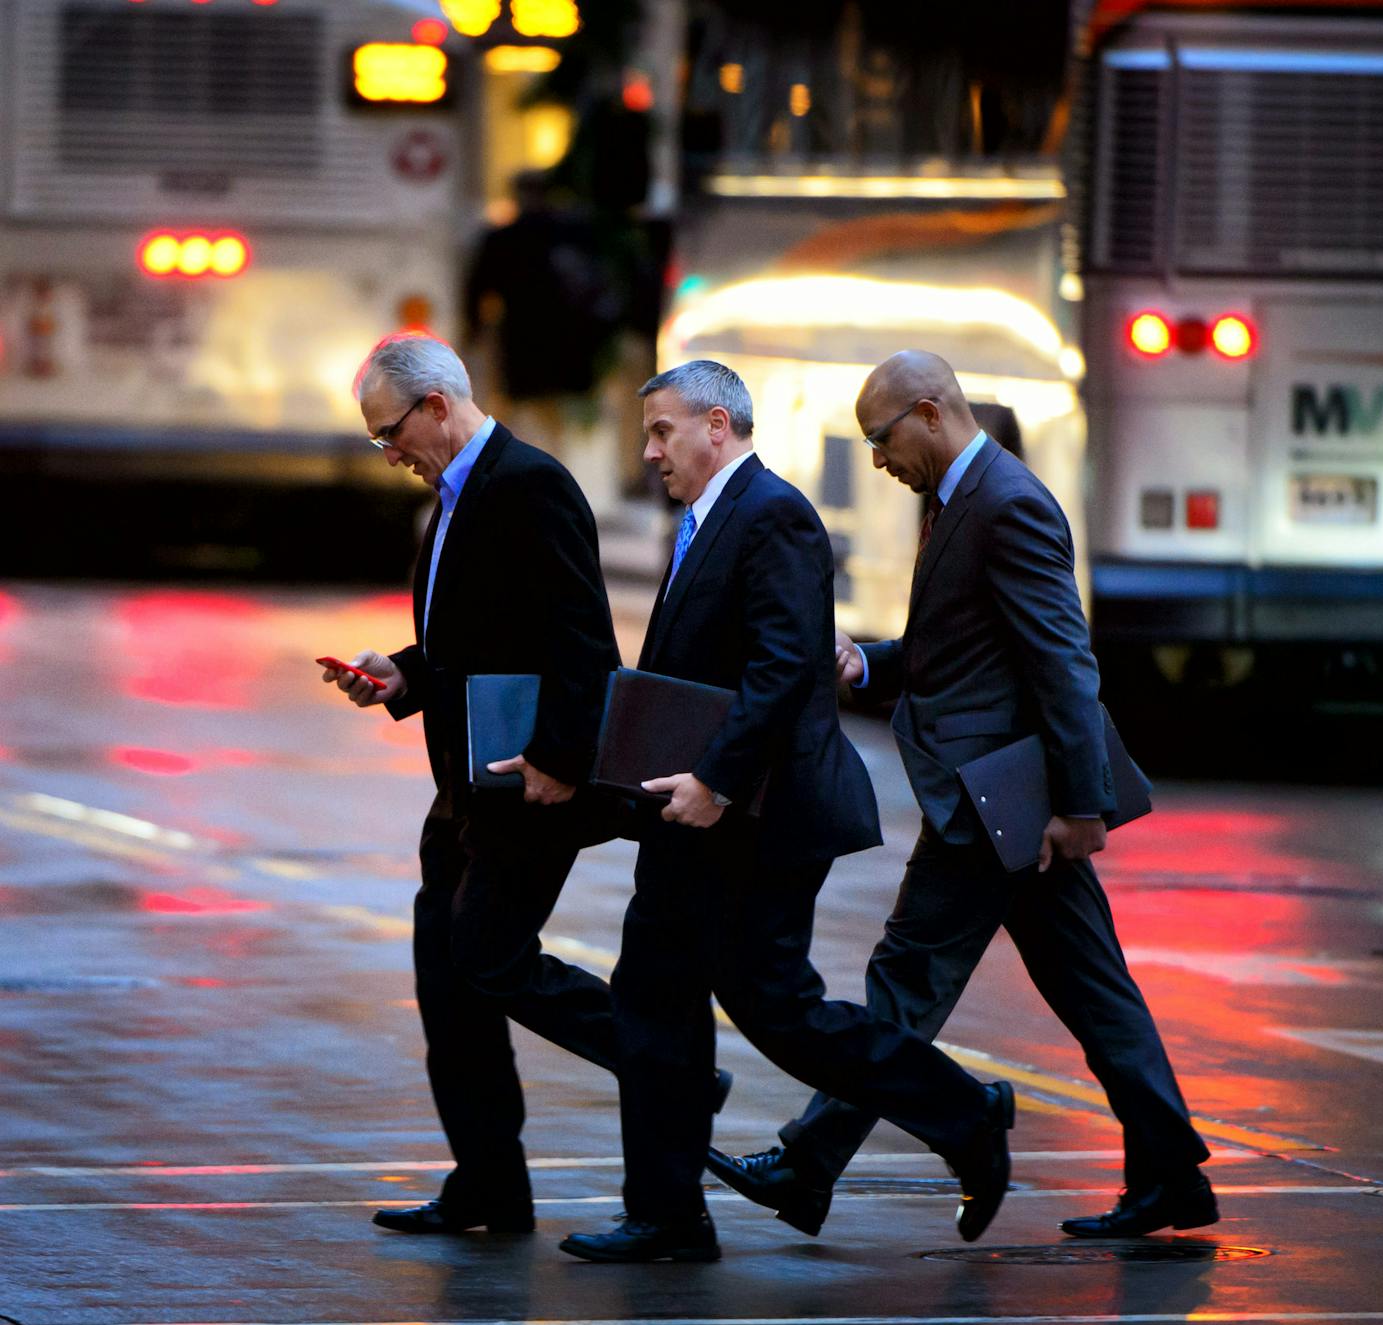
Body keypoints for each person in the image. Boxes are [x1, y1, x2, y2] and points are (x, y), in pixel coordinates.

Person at [708, 350, 1217, 1240]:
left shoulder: (1008, 503)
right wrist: (872, 661)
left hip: (1000, 805)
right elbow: (956, 650)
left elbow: (1063, 662)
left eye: (882, 437)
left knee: (906, 979)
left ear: (932, 411)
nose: (876, 460)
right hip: (1003, 801)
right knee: (1093, 990)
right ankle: (1170, 1172)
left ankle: (813, 1160)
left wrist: (1083, 806)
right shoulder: (955, 501)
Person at [557, 360, 1015, 1264]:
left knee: (779, 1009)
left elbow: (783, 671)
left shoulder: (775, 517)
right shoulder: (703, 520)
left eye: (661, 431)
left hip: (760, 815)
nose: (650, 452)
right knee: (652, 994)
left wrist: (715, 780)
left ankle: (965, 1111)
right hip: (693, 815)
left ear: (718, 424)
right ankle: (666, 1211)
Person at [320, 334, 625, 1237]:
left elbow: (582, 642)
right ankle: (489, 1181)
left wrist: (562, 761)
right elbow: (479, 640)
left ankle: (659, 1048)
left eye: (390, 434)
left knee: (488, 957)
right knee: (448, 984)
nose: (391, 454)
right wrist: (403, 675)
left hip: (530, 786)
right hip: (464, 791)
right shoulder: (457, 497)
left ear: (439, 406)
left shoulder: (529, 484)